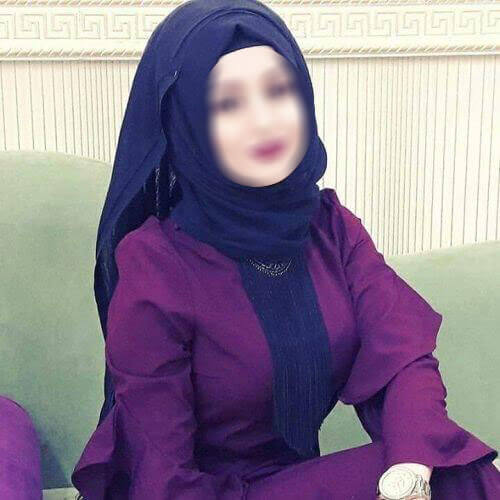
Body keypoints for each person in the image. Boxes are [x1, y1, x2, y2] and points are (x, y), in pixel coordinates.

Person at [71, 1, 500, 498]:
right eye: (227, 104)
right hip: (197, 493)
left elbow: (402, 356)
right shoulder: (155, 265)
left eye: (278, 91)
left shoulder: (329, 228)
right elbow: (162, 477)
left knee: (446, 467)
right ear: (186, 123)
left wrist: (409, 470)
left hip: (291, 483)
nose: (263, 121)